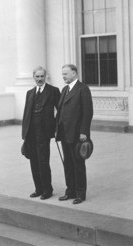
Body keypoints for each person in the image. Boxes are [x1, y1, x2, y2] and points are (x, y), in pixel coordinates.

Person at [55, 64, 93, 204]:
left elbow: (88, 113)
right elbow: (60, 113)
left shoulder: (83, 89)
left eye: (65, 73)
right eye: (62, 74)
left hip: (77, 135)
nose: (63, 76)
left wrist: (84, 132)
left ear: (74, 73)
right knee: (68, 164)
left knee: (78, 164)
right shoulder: (65, 89)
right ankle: (70, 191)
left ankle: (80, 193)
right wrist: (57, 129)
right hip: (65, 134)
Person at [22, 66, 60, 200]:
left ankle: (47, 190)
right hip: (31, 134)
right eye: (37, 76)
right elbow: (26, 114)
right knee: (33, 162)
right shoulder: (30, 93)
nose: (39, 79)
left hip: (44, 133)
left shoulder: (53, 91)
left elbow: (60, 111)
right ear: (33, 77)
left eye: (42, 76)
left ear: (45, 77)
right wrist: (25, 134)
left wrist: (55, 127)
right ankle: (38, 189)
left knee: (43, 162)